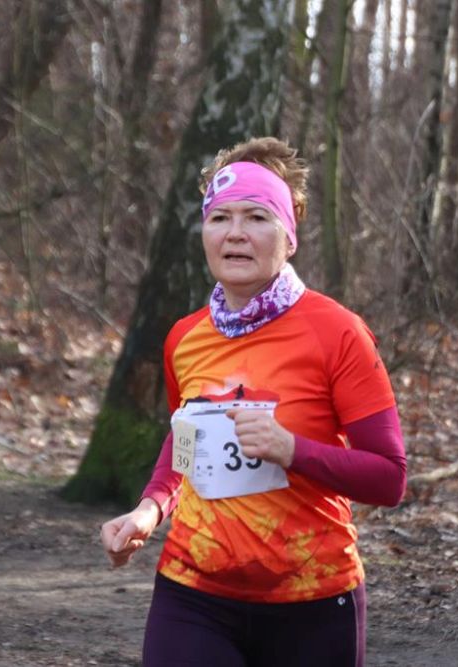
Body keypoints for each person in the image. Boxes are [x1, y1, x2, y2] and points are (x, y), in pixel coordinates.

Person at [100, 136, 407, 666]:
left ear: (289, 236)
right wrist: (151, 509)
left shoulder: (339, 333)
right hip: (192, 592)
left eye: (257, 217)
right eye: (220, 218)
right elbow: (186, 442)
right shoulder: (184, 338)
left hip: (312, 598)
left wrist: (293, 450)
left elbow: (389, 478)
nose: (236, 233)